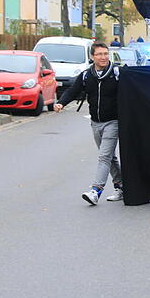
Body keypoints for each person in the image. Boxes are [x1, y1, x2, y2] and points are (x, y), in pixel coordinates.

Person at [55, 42, 123, 205]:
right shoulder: (86, 75)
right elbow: (73, 91)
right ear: (92, 57)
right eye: (99, 54)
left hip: (113, 122)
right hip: (95, 123)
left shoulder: (117, 72)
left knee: (104, 156)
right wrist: (61, 103)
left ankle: (96, 190)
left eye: (105, 53)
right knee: (110, 157)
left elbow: (134, 86)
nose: (103, 57)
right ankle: (121, 186)